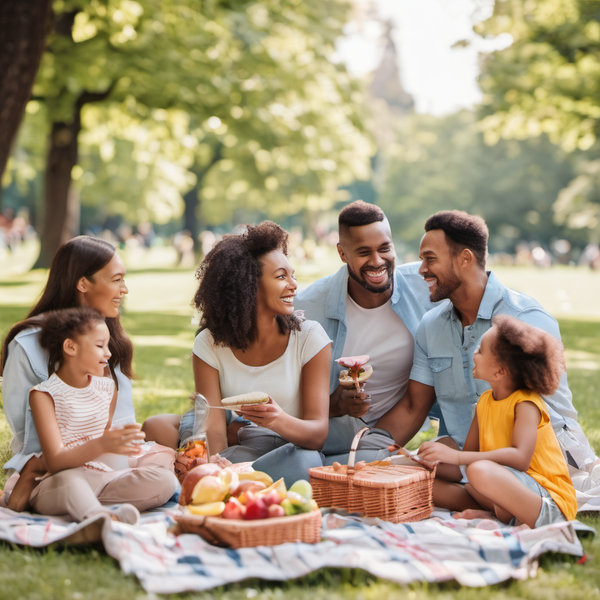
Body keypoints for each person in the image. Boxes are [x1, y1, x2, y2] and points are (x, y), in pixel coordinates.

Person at [374, 210, 598, 503]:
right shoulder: (431, 327)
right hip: (468, 457)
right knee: (385, 474)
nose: (421, 270)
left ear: (465, 259)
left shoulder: (524, 319)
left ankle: (488, 498)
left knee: (413, 486)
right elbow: (414, 405)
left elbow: (540, 422)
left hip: (537, 456)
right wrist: (372, 453)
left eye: (430, 259)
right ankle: (473, 497)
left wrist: (463, 461)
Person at [143, 221, 331, 485]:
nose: (293, 286)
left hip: (291, 447)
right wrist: (216, 466)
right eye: (281, 277)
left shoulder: (310, 337)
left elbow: (317, 434)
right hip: (240, 448)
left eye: (293, 275)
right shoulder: (209, 343)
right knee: (160, 428)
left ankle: (225, 480)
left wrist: (277, 420)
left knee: (305, 463)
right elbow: (216, 433)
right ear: (248, 285)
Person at [1, 235, 137, 511]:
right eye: (116, 279)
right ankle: (74, 501)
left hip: (108, 464)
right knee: (74, 481)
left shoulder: (111, 340)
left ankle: (88, 499)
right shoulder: (27, 346)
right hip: (54, 466)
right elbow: (28, 436)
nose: (124, 289)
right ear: (83, 283)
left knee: (165, 479)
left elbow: (122, 422)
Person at [294, 200, 435, 462]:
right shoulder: (307, 308)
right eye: (363, 252)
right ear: (342, 253)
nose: (377, 261)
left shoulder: (426, 290)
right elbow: (283, 391)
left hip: (385, 435)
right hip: (318, 431)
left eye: (385, 248)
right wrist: (334, 404)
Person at [417, 315, 577, 528]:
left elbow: (520, 459)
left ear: (500, 371)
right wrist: (428, 462)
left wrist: (455, 456)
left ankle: (524, 516)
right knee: (423, 485)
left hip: (547, 500)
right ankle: (498, 514)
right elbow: (466, 460)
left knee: (479, 471)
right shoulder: (484, 402)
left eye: (480, 350)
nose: (474, 354)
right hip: (499, 488)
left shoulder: (526, 404)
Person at [26, 307, 176, 522]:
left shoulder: (107, 388)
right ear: (70, 347)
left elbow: (103, 442)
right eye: (99, 346)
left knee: (164, 481)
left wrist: (119, 445)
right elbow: (55, 462)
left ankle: (96, 511)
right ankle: (98, 518)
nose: (108, 353)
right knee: (71, 482)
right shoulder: (44, 395)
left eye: (107, 345)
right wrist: (103, 444)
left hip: (102, 478)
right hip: (59, 482)